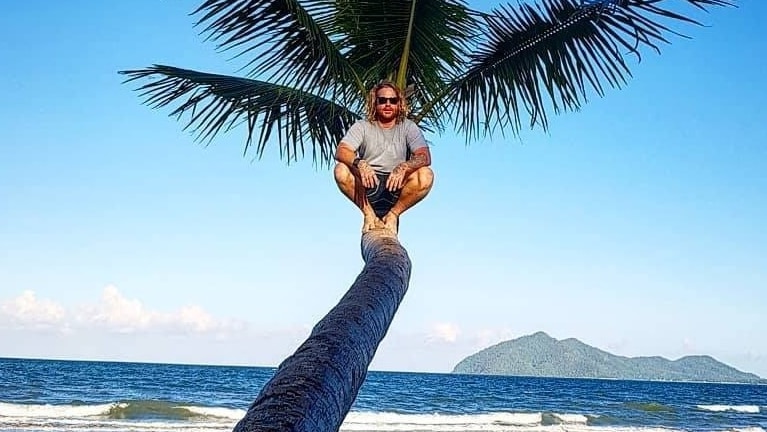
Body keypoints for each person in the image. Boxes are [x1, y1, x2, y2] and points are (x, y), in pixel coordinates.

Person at [334, 81, 434, 235]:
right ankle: (368, 214)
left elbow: (424, 157)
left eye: (393, 100)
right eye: (382, 100)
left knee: (426, 174)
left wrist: (404, 167)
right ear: (375, 103)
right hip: (368, 186)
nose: (388, 104)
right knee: (341, 169)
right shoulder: (362, 126)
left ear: (399, 104)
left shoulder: (408, 127)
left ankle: (393, 215)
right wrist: (360, 163)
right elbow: (341, 151)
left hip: (396, 188)